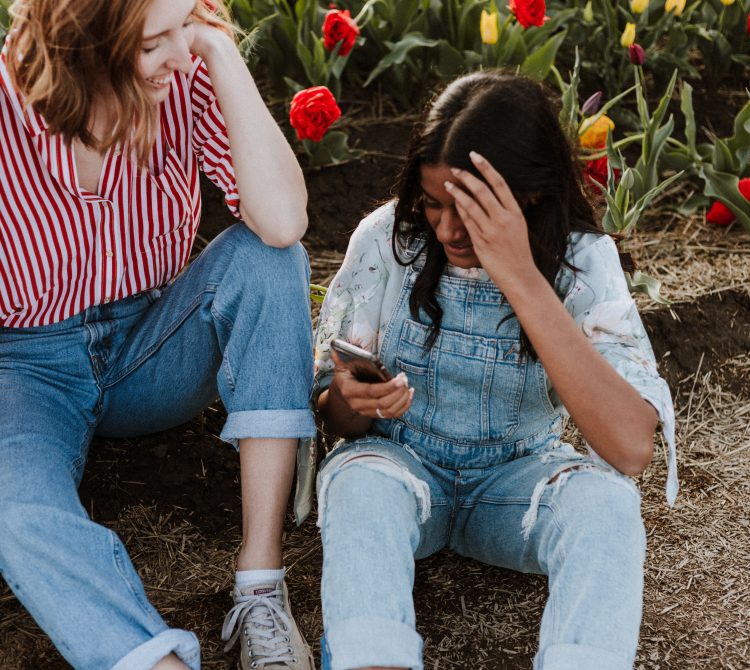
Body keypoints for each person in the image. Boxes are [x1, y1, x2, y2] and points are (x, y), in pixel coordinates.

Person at [313, 70, 677, 670]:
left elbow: (632, 448)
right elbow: (337, 416)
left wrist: (520, 274)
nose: (449, 230)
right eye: (433, 203)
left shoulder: (581, 262)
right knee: (359, 484)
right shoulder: (387, 239)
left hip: (519, 478)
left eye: (470, 211)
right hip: (402, 467)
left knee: (608, 507)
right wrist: (353, 400)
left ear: (527, 195)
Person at [0, 0, 316, 668]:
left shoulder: (183, 72)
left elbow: (284, 221)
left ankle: (258, 588)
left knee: (268, 259)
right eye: (155, 40)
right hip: (26, 370)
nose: (181, 51)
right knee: (15, 511)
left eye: (186, 26)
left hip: (153, 342)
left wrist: (220, 54)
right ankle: (152, 659)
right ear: (85, 47)